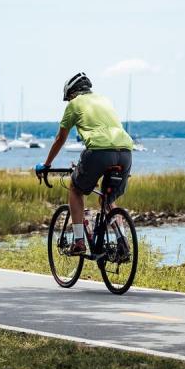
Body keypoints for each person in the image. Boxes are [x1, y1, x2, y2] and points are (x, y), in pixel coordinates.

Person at [36, 72, 134, 254]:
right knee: (107, 197)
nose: (68, 101)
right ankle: (123, 242)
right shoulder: (104, 100)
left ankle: (79, 242)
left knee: (75, 188)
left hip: (98, 151)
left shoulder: (74, 104)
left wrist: (47, 164)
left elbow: (60, 138)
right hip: (126, 152)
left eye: (68, 98)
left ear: (72, 93)